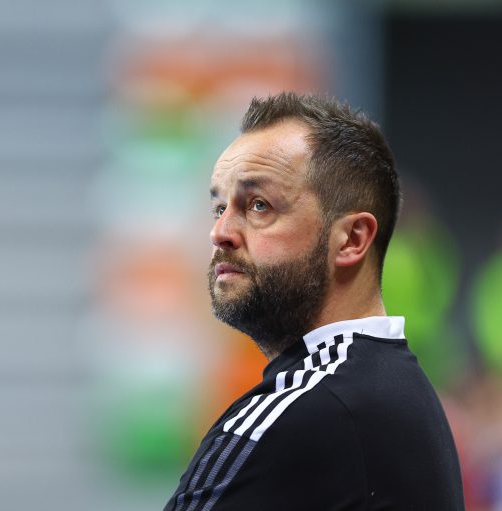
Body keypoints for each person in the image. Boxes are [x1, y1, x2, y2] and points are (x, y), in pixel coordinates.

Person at [163, 93, 464, 510]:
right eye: (219, 208)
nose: (220, 232)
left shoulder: (301, 411)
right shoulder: (401, 391)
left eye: (259, 205)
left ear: (352, 239)